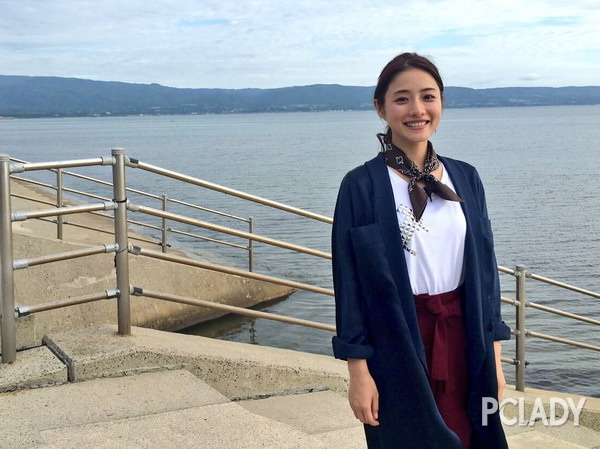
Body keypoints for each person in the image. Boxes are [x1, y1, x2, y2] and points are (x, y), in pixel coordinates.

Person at [331, 52, 511, 449]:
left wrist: (495, 363)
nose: (417, 110)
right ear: (381, 108)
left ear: (442, 102)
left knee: (473, 436)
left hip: (466, 339)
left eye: (428, 97)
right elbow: (350, 285)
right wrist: (358, 371)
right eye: (402, 99)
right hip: (396, 344)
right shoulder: (360, 186)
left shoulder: (466, 177)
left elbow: (486, 276)